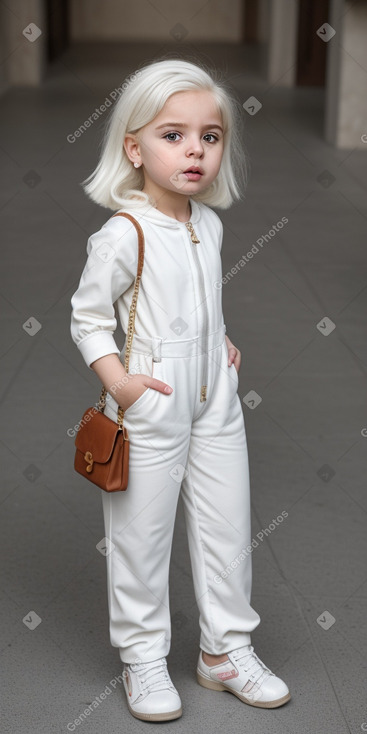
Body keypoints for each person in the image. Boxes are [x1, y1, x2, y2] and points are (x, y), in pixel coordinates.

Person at [70, 57, 291, 723]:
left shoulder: (208, 224)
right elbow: (87, 317)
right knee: (141, 536)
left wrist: (216, 338)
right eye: (172, 135)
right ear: (133, 148)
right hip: (151, 400)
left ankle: (225, 651)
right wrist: (123, 386)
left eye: (210, 136)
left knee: (227, 525)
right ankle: (142, 657)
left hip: (214, 398)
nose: (194, 149)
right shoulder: (123, 233)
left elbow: (199, 299)